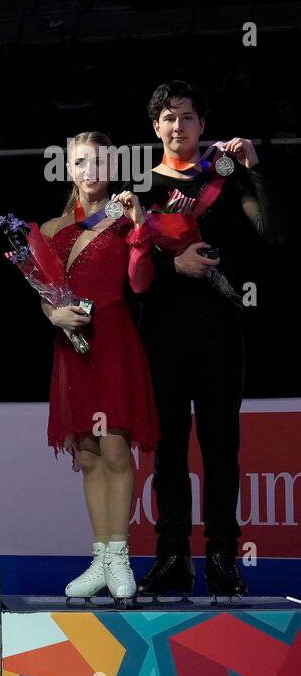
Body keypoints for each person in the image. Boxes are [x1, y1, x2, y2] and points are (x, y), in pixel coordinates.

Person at [135, 81, 285, 597]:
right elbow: (125, 270)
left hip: (221, 334)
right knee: (168, 453)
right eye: (169, 118)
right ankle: (172, 558)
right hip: (161, 335)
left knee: (222, 448)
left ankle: (223, 558)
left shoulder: (224, 175)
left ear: (203, 125)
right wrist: (171, 263)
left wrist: (255, 168)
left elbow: (272, 232)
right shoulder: (137, 191)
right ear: (155, 127)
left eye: (188, 117)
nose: (179, 127)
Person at [38, 133, 159, 601]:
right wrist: (52, 314)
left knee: (114, 451)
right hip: (73, 348)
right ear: (69, 169)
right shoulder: (50, 230)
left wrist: (141, 231)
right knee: (87, 456)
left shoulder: (124, 218)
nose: (91, 171)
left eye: (101, 162)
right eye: (82, 162)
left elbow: (140, 283)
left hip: (114, 342)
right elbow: (46, 293)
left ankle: (120, 556)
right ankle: (100, 559)